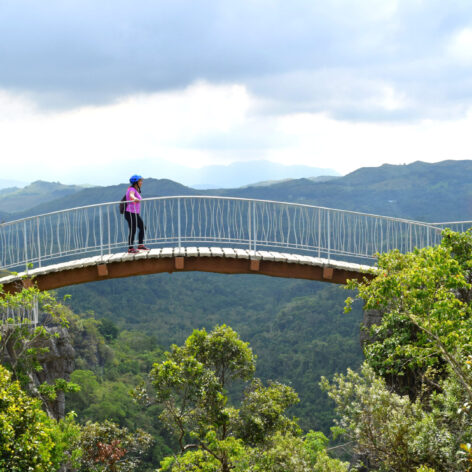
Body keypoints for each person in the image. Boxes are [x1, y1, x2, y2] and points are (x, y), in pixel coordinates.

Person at [124, 175, 149, 253]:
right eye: (140, 181)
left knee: (142, 227)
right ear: (136, 182)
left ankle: (140, 245)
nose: (142, 182)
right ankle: (130, 248)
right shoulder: (132, 189)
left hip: (134, 213)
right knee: (133, 230)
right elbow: (131, 195)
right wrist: (134, 198)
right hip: (130, 213)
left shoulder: (135, 189)